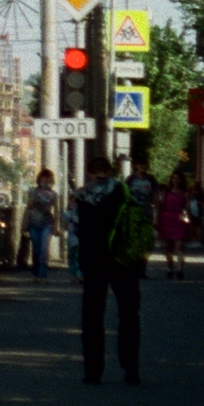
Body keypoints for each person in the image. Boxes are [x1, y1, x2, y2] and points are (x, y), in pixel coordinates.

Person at [74, 153, 146, 384]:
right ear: (110, 171)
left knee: (93, 317)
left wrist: (79, 264)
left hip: (94, 263)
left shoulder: (83, 196)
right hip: (123, 261)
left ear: (89, 172)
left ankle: (93, 371)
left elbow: (77, 232)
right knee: (129, 314)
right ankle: (131, 369)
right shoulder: (123, 191)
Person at [157, 170, 196, 278]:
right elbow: (160, 205)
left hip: (179, 219)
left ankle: (179, 270)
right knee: (168, 247)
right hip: (167, 219)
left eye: (178, 178)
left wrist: (189, 222)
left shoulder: (185, 193)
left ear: (181, 180)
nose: (176, 180)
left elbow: (187, 209)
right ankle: (170, 268)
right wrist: (157, 221)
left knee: (179, 246)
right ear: (171, 179)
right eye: (174, 178)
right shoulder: (166, 192)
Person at [23, 167, 57, 280]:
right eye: (44, 179)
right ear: (39, 179)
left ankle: (43, 273)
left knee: (43, 248)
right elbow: (28, 208)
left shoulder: (53, 194)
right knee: (36, 248)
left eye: (48, 180)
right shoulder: (33, 192)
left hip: (47, 223)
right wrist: (24, 225)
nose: (46, 182)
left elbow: (55, 210)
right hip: (33, 223)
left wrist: (56, 226)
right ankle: (36, 272)